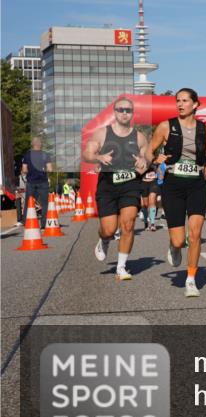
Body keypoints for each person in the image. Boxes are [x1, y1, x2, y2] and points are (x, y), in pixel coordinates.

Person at [148, 88, 206, 297]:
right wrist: (155, 159)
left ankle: (191, 279)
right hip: (173, 184)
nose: (180, 104)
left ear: (195, 104)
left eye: (185, 100)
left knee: (195, 234)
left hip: (197, 183)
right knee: (179, 240)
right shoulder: (165, 126)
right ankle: (174, 246)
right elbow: (148, 151)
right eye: (177, 101)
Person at [83, 96, 149, 281]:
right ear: (114, 112)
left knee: (128, 225)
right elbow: (87, 153)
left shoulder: (139, 136)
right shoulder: (102, 133)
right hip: (108, 185)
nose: (124, 113)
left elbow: (146, 158)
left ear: (132, 113)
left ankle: (121, 267)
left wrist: (144, 161)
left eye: (128, 110)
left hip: (130, 184)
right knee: (109, 229)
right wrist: (98, 158)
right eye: (121, 109)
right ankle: (104, 240)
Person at [21, 136, 53, 223]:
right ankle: (44, 224)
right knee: (44, 203)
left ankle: (26, 222)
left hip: (31, 182)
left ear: (32, 144)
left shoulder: (27, 155)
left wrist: (30, 171)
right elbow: (50, 169)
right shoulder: (45, 154)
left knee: (28, 202)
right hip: (43, 181)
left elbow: (24, 170)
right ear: (40, 144)